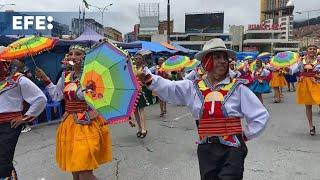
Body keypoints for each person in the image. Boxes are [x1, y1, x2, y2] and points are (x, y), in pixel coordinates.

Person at [138, 38, 269, 180]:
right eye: (217, 57)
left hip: (233, 150)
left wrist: (245, 135)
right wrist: (149, 78)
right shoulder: (193, 87)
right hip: (206, 150)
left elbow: (260, 115)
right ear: (206, 61)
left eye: (225, 58)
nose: (223, 61)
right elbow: (170, 87)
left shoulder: (238, 88)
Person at [35, 44, 112, 180]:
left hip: (88, 126)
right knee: (75, 171)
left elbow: (104, 98)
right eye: (71, 54)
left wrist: (97, 110)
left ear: (85, 57)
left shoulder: (93, 76)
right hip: (69, 125)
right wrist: (45, 79)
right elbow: (57, 96)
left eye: (77, 54)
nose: (73, 56)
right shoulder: (66, 76)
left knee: (84, 172)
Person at [0, 60, 46, 179]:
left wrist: (25, 117)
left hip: (9, 124)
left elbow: (40, 99)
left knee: (3, 160)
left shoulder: (19, 79)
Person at [287, 45, 320, 135]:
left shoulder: (318, 61)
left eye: (314, 49)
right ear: (307, 51)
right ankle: (311, 126)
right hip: (304, 84)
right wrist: (287, 69)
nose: (312, 50)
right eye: (310, 49)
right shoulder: (301, 61)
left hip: (316, 83)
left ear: (316, 51)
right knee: (308, 106)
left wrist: (317, 76)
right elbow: (292, 71)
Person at [132, 52, 151, 138]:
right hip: (133, 91)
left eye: (139, 58)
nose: (137, 60)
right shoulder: (132, 68)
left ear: (142, 59)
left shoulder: (145, 68)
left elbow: (149, 77)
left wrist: (144, 80)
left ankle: (144, 129)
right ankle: (139, 128)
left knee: (141, 109)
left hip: (141, 90)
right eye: (136, 58)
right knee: (135, 110)